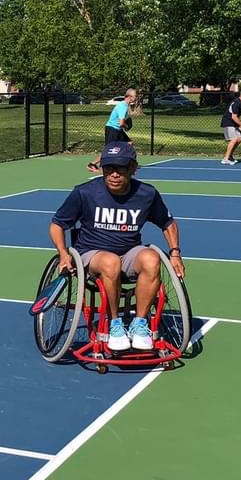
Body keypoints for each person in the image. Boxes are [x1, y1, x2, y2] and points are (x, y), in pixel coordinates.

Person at [50, 141, 184, 352]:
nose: (114, 174)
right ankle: (115, 324)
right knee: (110, 261)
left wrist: (175, 253)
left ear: (133, 168)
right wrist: (63, 253)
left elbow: (168, 224)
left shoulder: (147, 194)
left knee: (152, 258)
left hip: (129, 254)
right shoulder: (85, 192)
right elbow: (58, 224)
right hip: (91, 256)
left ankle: (140, 324)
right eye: (109, 168)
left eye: (121, 168)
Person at [87, 88, 138, 173]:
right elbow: (121, 123)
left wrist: (124, 125)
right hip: (112, 129)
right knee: (108, 149)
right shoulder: (123, 106)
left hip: (117, 129)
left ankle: (130, 164)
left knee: (129, 143)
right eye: (135, 96)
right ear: (129, 96)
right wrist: (126, 126)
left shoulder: (124, 105)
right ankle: (93, 164)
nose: (136, 98)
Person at [221, 88, 241, 165]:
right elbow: (233, 117)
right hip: (228, 122)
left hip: (233, 123)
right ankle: (225, 159)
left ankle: (230, 156)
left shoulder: (239, 103)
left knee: (239, 139)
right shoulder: (237, 103)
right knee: (234, 139)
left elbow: (235, 118)